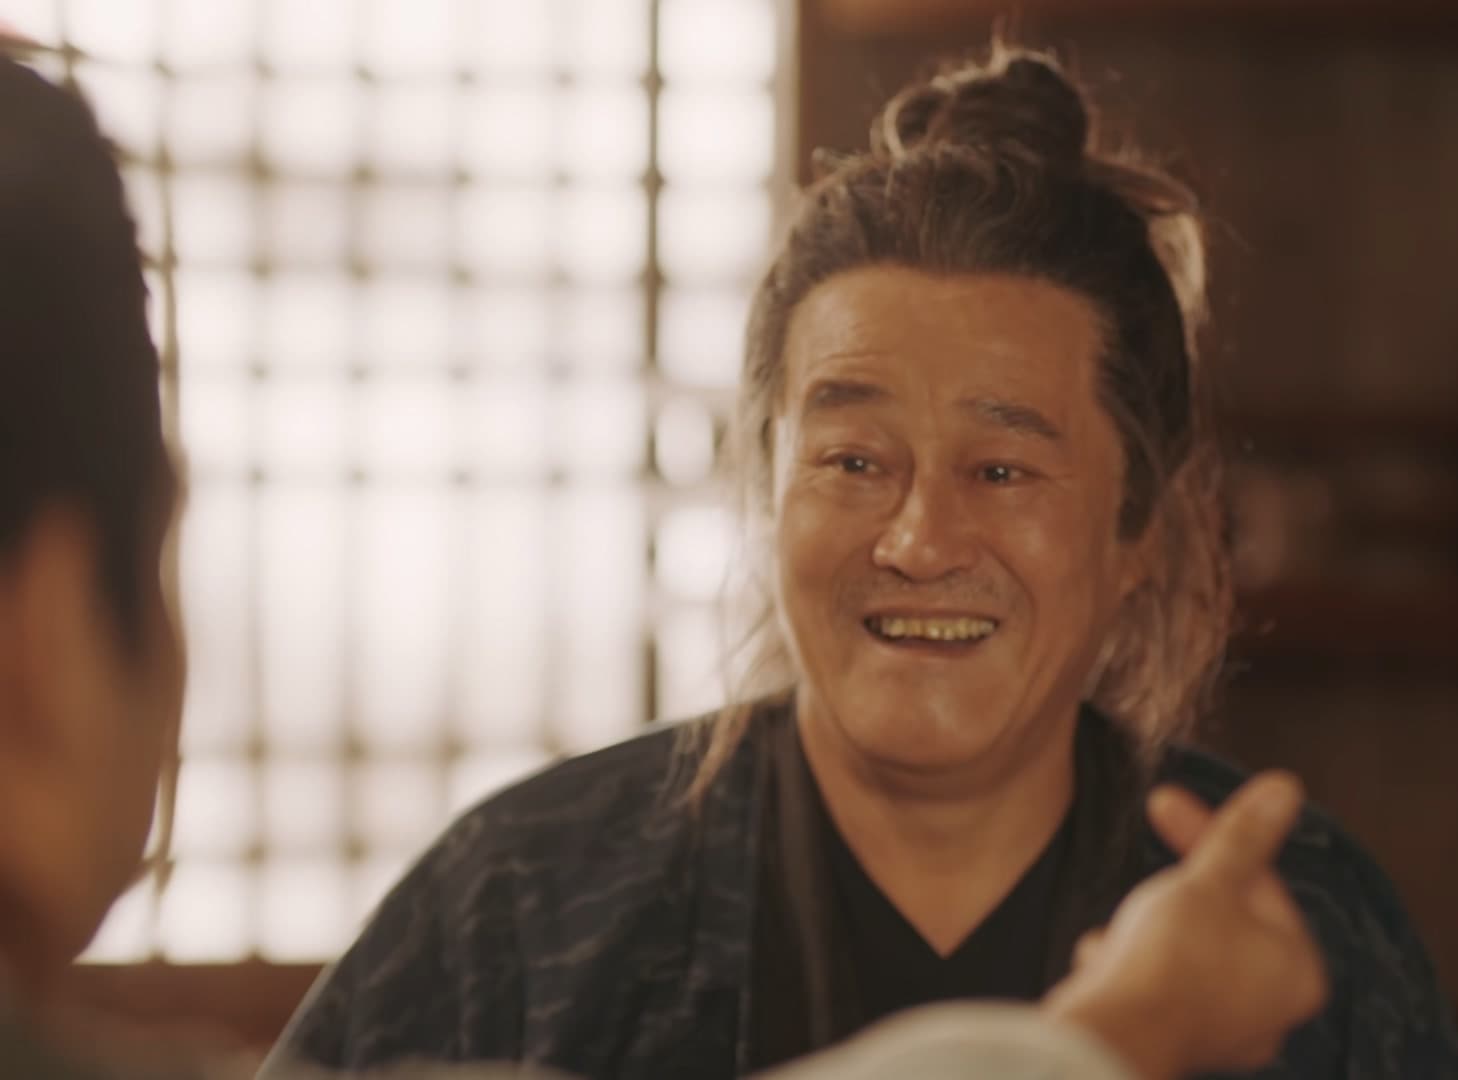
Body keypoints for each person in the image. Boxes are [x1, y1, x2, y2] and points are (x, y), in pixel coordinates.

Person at [0, 45, 1330, 1080]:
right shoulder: (518, 903)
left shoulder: (1304, 932)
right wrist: (1118, 1039)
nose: (918, 540)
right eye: (852, 461)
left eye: (1002, 471)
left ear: (1143, 530)